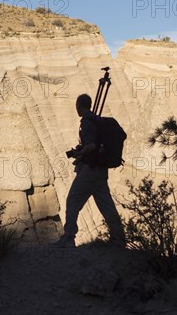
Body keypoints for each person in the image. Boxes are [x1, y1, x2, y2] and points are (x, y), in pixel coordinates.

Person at [54, 94, 126, 248]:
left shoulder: (87, 122)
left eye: (77, 107)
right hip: (101, 171)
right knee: (106, 205)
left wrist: (79, 153)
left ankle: (68, 237)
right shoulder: (97, 120)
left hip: (90, 170)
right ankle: (119, 239)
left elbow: (92, 145)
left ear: (79, 106)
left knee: (72, 200)